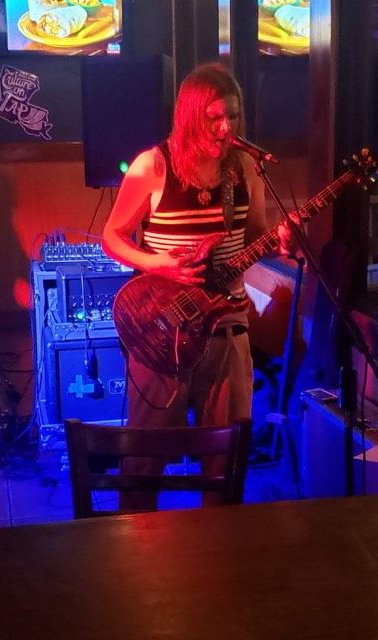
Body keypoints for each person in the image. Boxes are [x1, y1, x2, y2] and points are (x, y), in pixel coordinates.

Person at [102, 62, 295, 510]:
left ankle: (218, 544)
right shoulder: (153, 165)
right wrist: (156, 264)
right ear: (190, 117)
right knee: (145, 457)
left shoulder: (244, 168)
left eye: (234, 116)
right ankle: (134, 542)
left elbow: (254, 236)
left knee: (226, 458)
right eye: (214, 117)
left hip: (228, 325)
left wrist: (280, 242)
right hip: (163, 331)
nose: (226, 128)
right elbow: (112, 236)